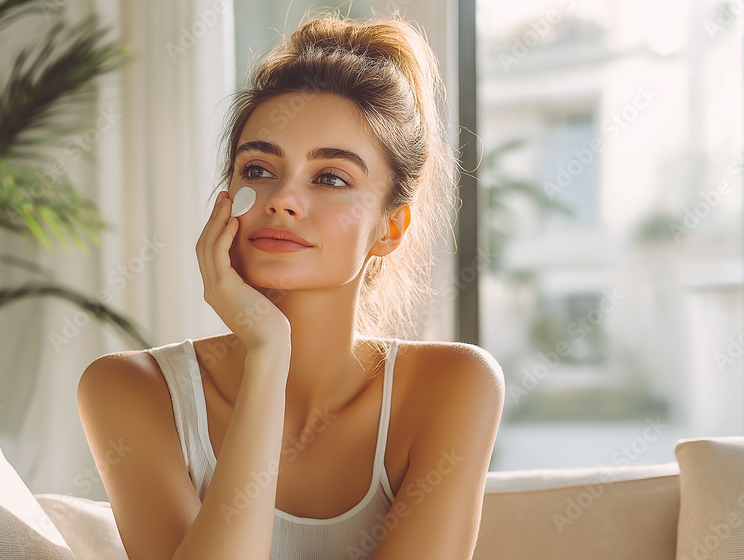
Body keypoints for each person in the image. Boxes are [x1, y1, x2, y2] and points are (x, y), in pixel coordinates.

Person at [77, 9, 505, 560]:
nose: (282, 198)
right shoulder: (131, 390)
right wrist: (267, 352)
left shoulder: (454, 386)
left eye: (330, 178)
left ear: (389, 228)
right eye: (257, 169)